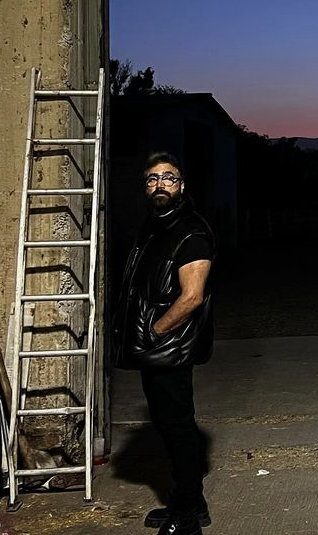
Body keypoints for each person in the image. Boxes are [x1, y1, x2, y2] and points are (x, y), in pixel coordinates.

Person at [113, 151, 215, 535]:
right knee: (167, 424)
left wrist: (154, 332)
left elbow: (191, 298)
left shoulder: (191, 232)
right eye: (152, 179)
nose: (160, 185)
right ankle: (191, 502)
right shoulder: (155, 226)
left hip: (169, 347)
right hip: (153, 349)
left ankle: (187, 518)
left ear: (182, 186)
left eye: (168, 178)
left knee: (177, 428)